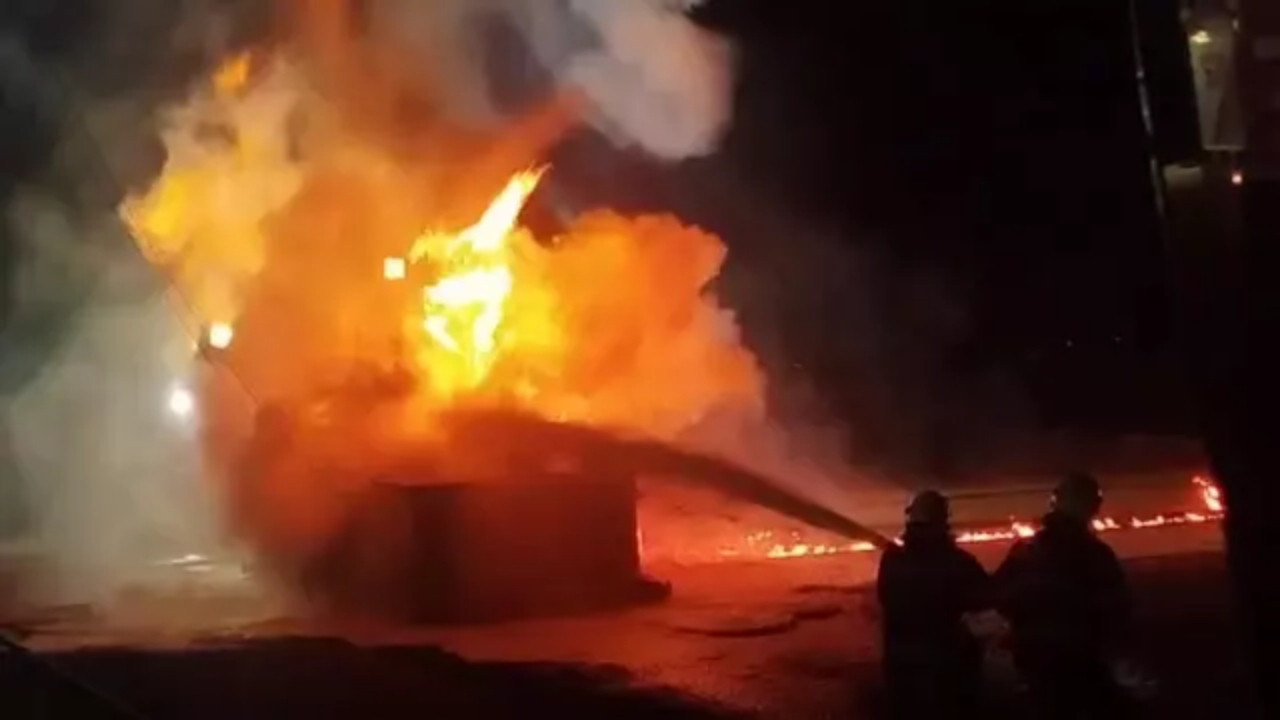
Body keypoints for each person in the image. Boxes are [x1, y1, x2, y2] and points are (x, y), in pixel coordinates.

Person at [994, 472, 1132, 718]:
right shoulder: (1095, 554)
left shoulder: (1026, 550)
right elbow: (1117, 608)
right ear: (1090, 507)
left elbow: (999, 596)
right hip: (1079, 659)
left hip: (1035, 659)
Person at [877, 490, 990, 719]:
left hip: (901, 667)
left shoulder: (892, 560)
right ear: (943, 520)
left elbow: (885, 597)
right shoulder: (958, 562)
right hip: (945, 668)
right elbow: (985, 597)